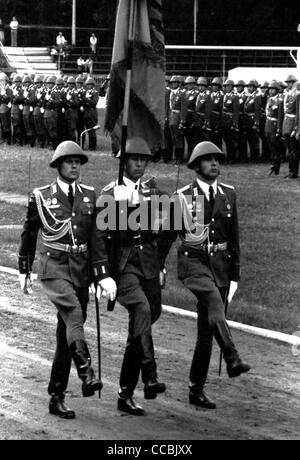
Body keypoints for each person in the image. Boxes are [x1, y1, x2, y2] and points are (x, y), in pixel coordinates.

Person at [18, 141, 109, 419]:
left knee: (65, 333)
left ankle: (56, 396)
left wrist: (101, 274)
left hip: (80, 268)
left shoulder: (90, 195)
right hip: (54, 266)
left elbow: (95, 239)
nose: (74, 166)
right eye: (69, 162)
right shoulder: (42, 196)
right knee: (74, 313)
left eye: (78, 162)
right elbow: (29, 233)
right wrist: (24, 269)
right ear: (58, 165)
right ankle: (87, 371)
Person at [169, 141, 250, 409]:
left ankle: (196, 389)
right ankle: (232, 356)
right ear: (196, 166)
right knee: (214, 302)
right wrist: (156, 266)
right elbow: (167, 236)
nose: (215, 164)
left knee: (206, 331)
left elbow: (234, 237)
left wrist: (235, 275)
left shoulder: (229, 194)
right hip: (194, 263)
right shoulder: (182, 196)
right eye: (208, 160)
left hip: (221, 267)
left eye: (217, 160)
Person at [94, 137, 169, 416]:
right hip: (124, 266)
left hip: (148, 263)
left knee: (144, 322)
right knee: (141, 309)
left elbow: (162, 231)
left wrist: (160, 263)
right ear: (123, 161)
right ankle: (150, 374)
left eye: (143, 160)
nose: (139, 164)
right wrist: (103, 275)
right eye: (134, 159)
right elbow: (99, 239)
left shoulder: (153, 192)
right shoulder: (110, 194)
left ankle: (125, 393)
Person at [265, 81, 284, 175]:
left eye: (273, 89)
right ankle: (272, 165)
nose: (271, 91)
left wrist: (279, 130)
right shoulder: (269, 100)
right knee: (270, 148)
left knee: (276, 148)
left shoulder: (280, 101)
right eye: (270, 89)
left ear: (277, 90)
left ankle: (276, 167)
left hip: (274, 126)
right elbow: (267, 113)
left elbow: (280, 117)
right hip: (268, 126)